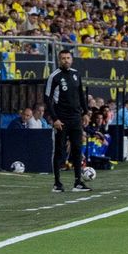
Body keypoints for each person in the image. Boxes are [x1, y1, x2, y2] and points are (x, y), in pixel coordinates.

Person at [44, 50, 90, 192]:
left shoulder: (76, 74)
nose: (66, 60)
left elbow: (81, 95)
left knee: (77, 149)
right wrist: (55, 118)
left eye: (68, 58)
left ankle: (78, 182)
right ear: (59, 60)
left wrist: (86, 112)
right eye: (63, 58)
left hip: (76, 119)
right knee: (59, 151)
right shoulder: (54, 76)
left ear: (72, 59)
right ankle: (57, 183)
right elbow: (47, 98)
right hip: (61, 120)